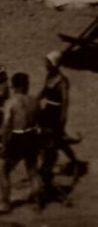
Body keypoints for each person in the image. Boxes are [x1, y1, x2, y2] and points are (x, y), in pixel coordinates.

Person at [0, 72, 41, 214]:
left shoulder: (10, 102)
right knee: (32, 171)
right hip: (32, 136)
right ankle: (37, 203)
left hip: (17, 138)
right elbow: (39, 121)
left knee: (4, 171)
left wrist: (2, 144)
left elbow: (6, 125)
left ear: (14, 86)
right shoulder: (34, 101)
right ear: (26, 85)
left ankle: (5, 203)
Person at [38, 51, 85, 194]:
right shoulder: (50, 76)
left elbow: (65, 102)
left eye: (48, 62)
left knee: (54, 139)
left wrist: (62, 120)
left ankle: (48, 165)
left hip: (56, 112)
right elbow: (44, 91)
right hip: (48, 110)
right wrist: (35, 100)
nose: (45, 64)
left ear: (54, 64)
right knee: (58, 141)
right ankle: (73, 160)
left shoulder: (61, 81)